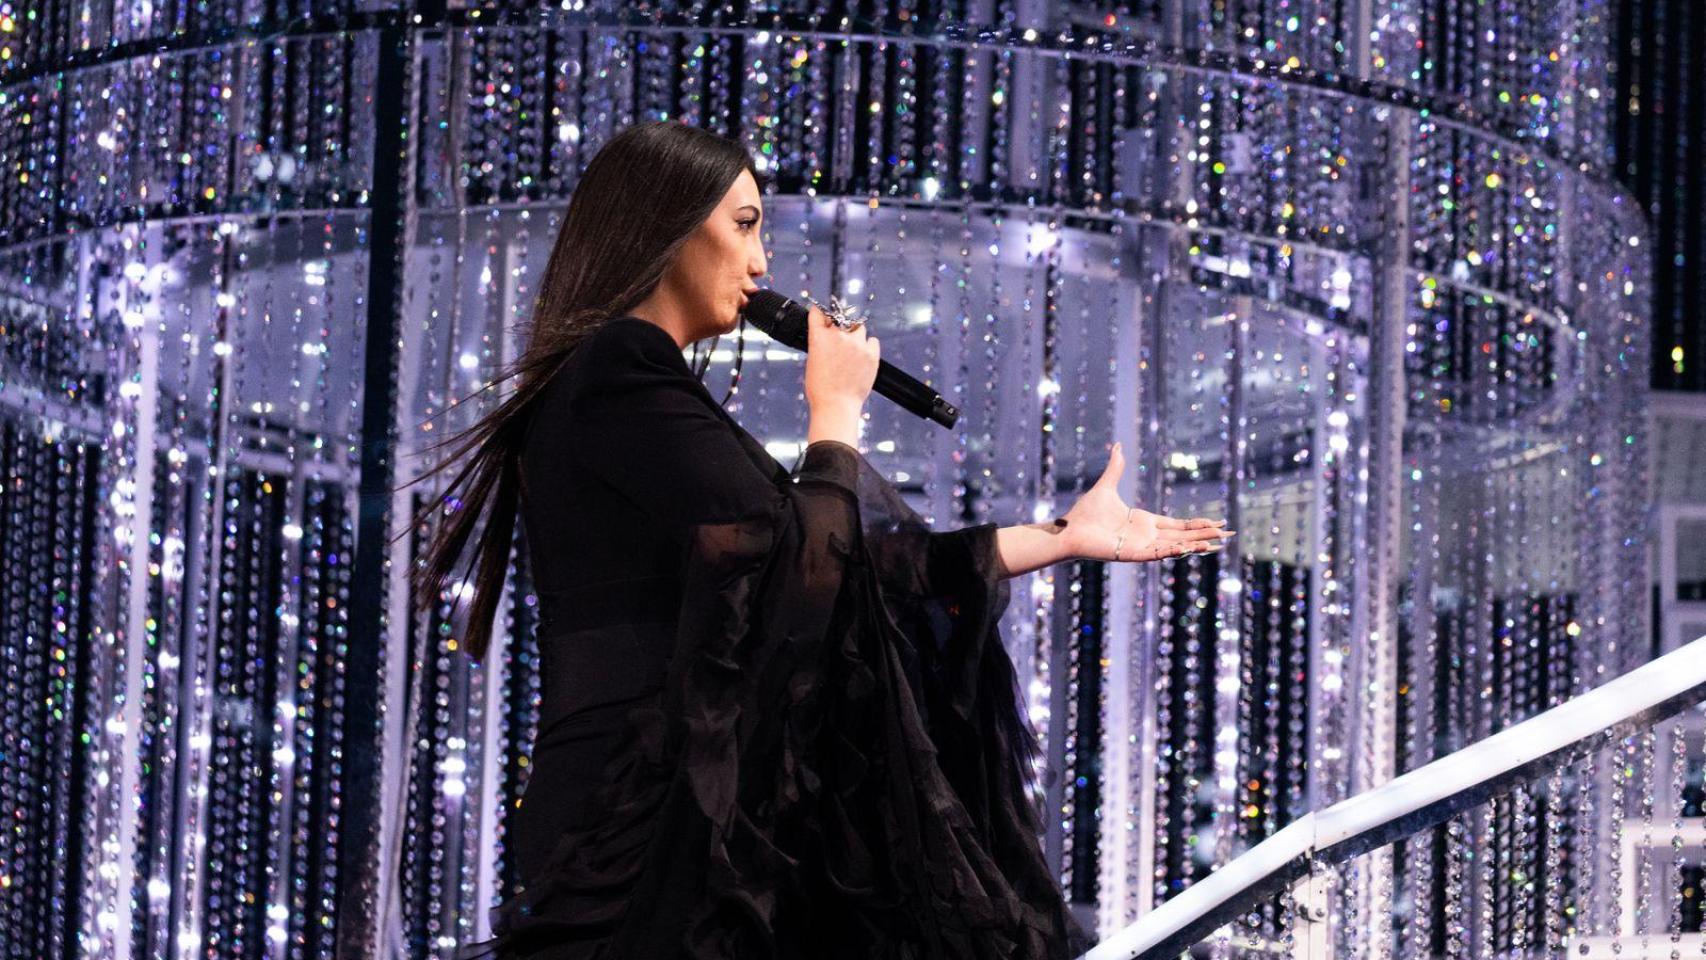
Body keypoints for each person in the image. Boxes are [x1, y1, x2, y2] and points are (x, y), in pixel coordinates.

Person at [409, 120, 1233, 960]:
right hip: (639, 811)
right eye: (743, 225)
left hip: (669, 801)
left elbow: (847, 567)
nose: (760, 262)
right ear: (667, 224)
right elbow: (809, 570)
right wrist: (835, 413)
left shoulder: (625, 381)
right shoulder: (619, 368)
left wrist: (1059, 536)